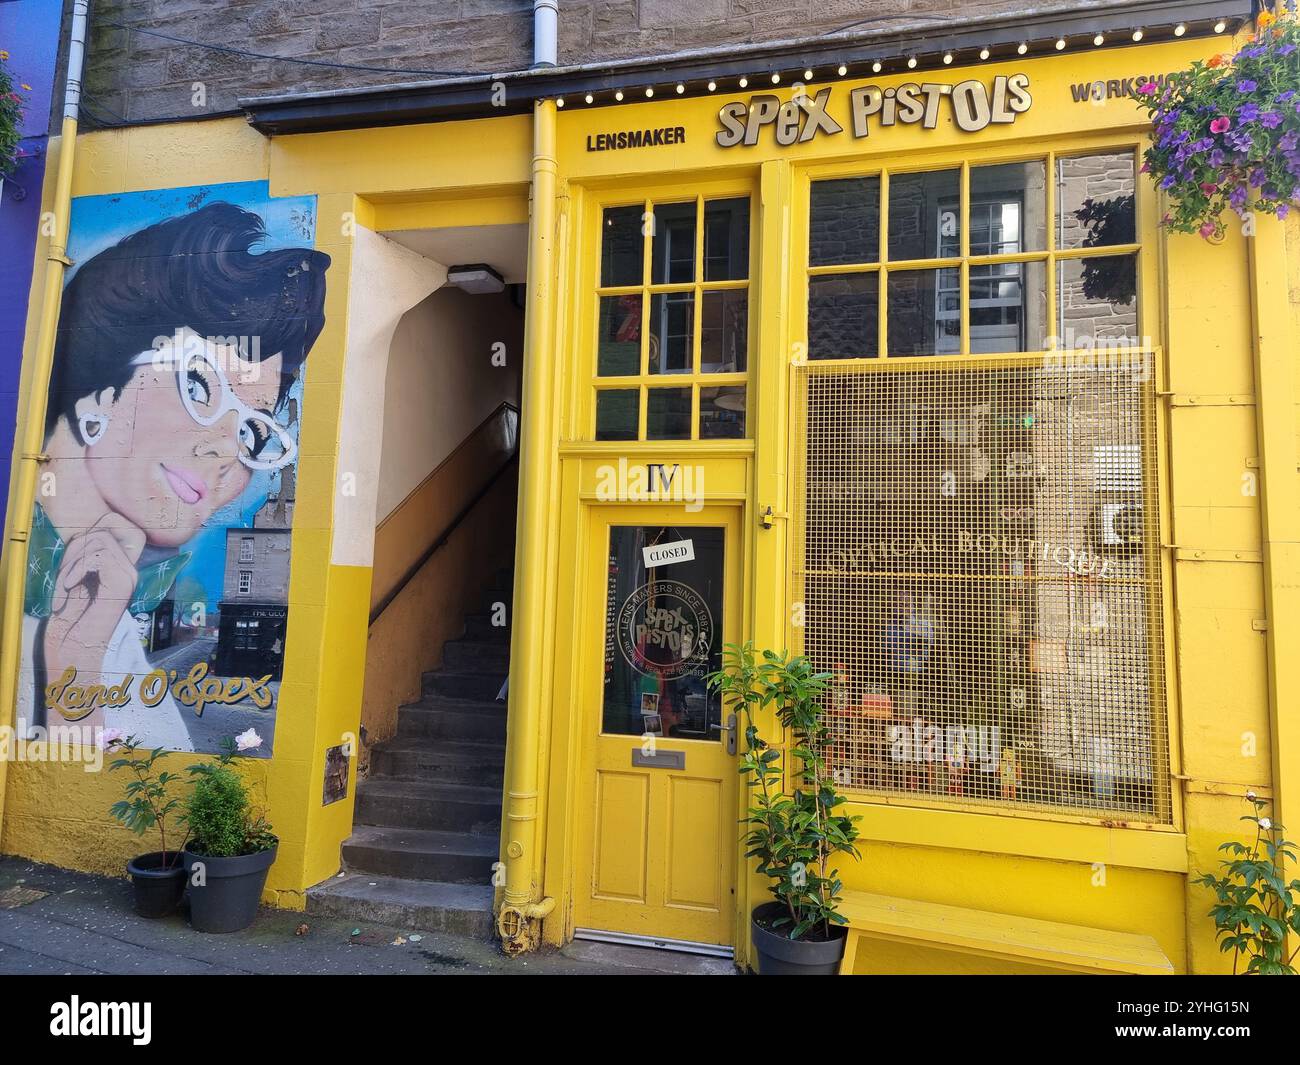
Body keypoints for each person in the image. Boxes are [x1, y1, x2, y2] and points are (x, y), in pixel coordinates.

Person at [21, 202, 330, 749]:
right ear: (100, 393)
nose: (226, 453)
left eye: (253, 432)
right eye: (199, 385)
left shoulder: (104, 623)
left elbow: (117, 801)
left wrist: (77, 655)